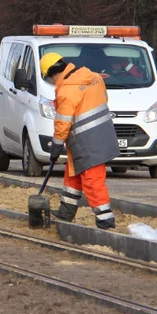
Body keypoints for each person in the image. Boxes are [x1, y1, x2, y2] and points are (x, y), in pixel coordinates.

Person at [41, 52, 117, 229]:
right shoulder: (94, 78)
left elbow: (63, 122)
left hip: (87, 141)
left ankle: (105, 219)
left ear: (52, 74)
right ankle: (66, 212)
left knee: (92, 180)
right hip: (102, 134)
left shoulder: (67, 91)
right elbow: (102, 100)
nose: (51, 84)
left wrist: (56, 146)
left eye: (49, 79)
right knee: (73, 175)